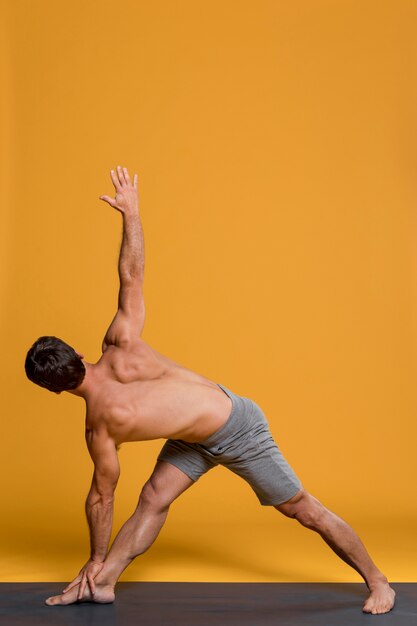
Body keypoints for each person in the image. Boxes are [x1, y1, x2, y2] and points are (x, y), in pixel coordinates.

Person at [24, 166, 395, 615]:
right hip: (193, 437)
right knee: (152, 500)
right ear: (79, 355)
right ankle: (101, 584)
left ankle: (378, 581)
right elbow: (131, 275)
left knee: (302, 509)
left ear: (55, 391)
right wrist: (131, 213)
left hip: (238, 427)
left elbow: (101, 498)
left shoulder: (100, 429)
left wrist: (95, 551)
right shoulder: (119, 342)